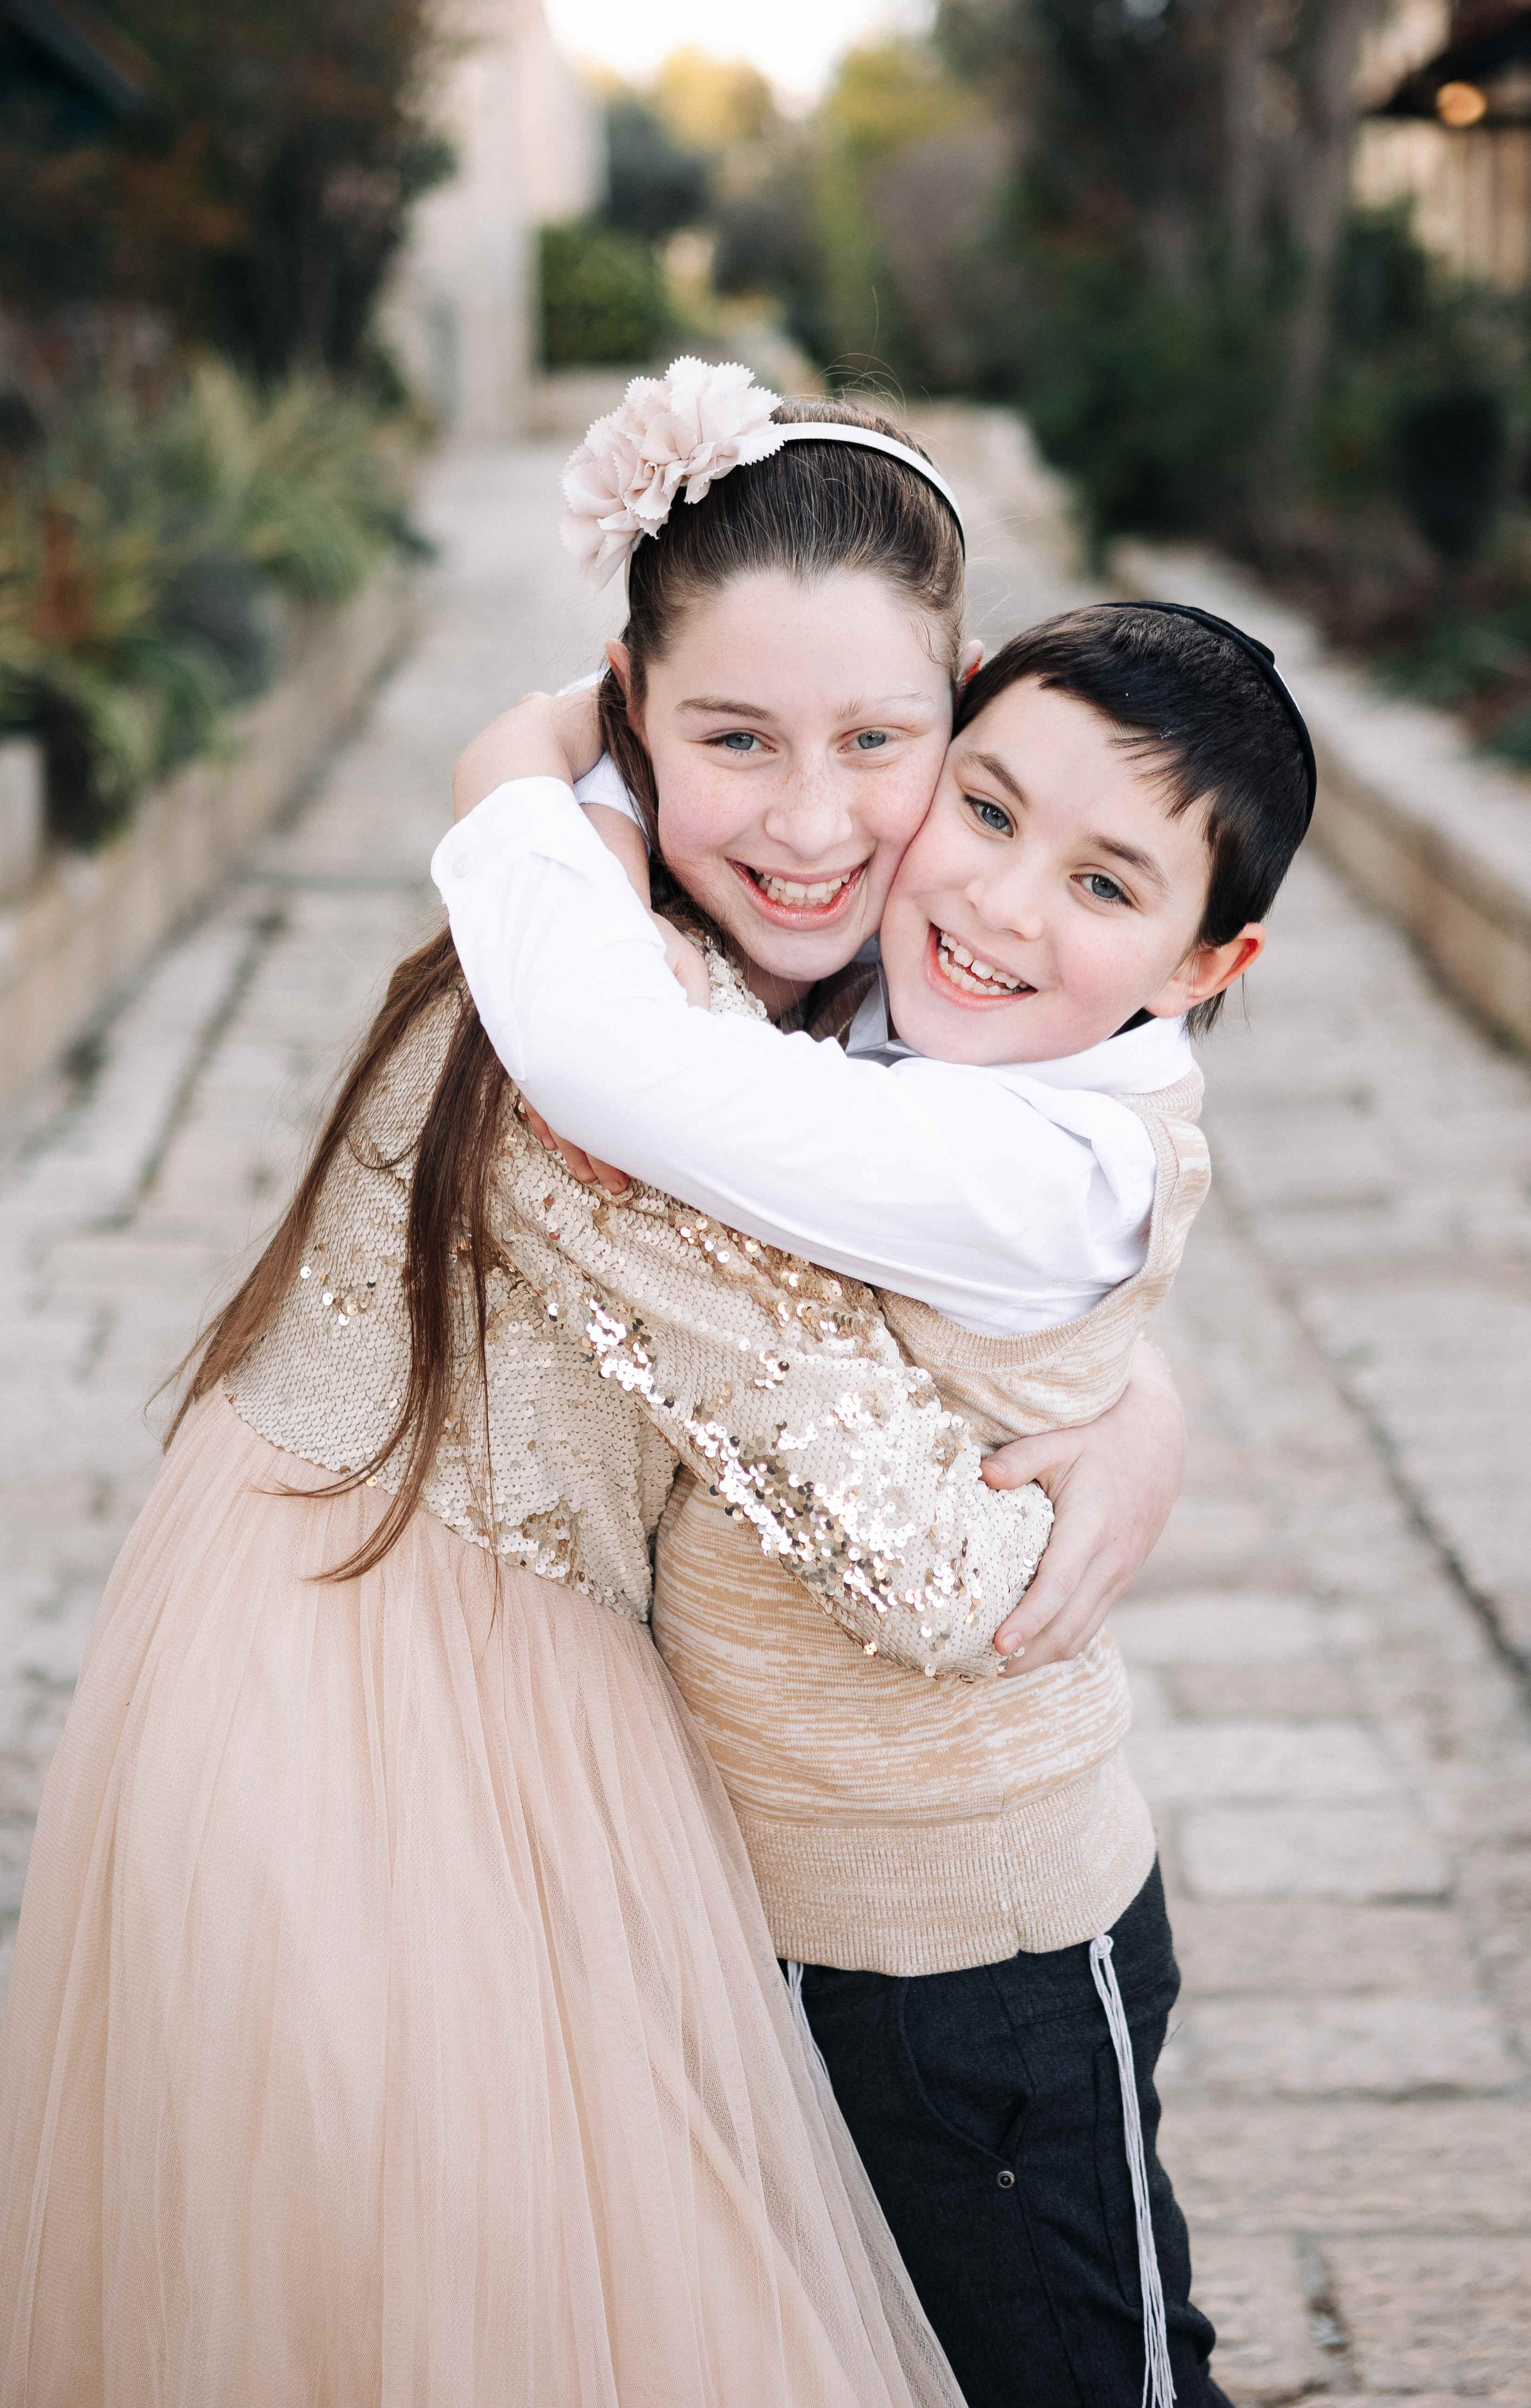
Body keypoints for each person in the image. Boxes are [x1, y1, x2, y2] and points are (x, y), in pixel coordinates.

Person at [0, 371, 1182, 2405]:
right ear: (633, 704)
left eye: (880, 746)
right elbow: (921, 1548)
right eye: (734, 740)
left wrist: (1146, 1390)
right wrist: (1092, 1474)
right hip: (387, 1737)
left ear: (964, 717)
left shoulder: (741, 965)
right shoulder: (592, 1052)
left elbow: (956, 1219)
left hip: (535, 1675)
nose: (813, 828)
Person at [434, 365, 1315, 2408]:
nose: (997, 902)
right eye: (988, 809)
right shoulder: (910, 1031)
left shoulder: (1049, 1154)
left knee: (1086, 2367)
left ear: (1208, 969)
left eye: (1106, 886)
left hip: (979, 1940)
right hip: (788, 1899)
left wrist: (521, 769)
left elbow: (633, 1082)